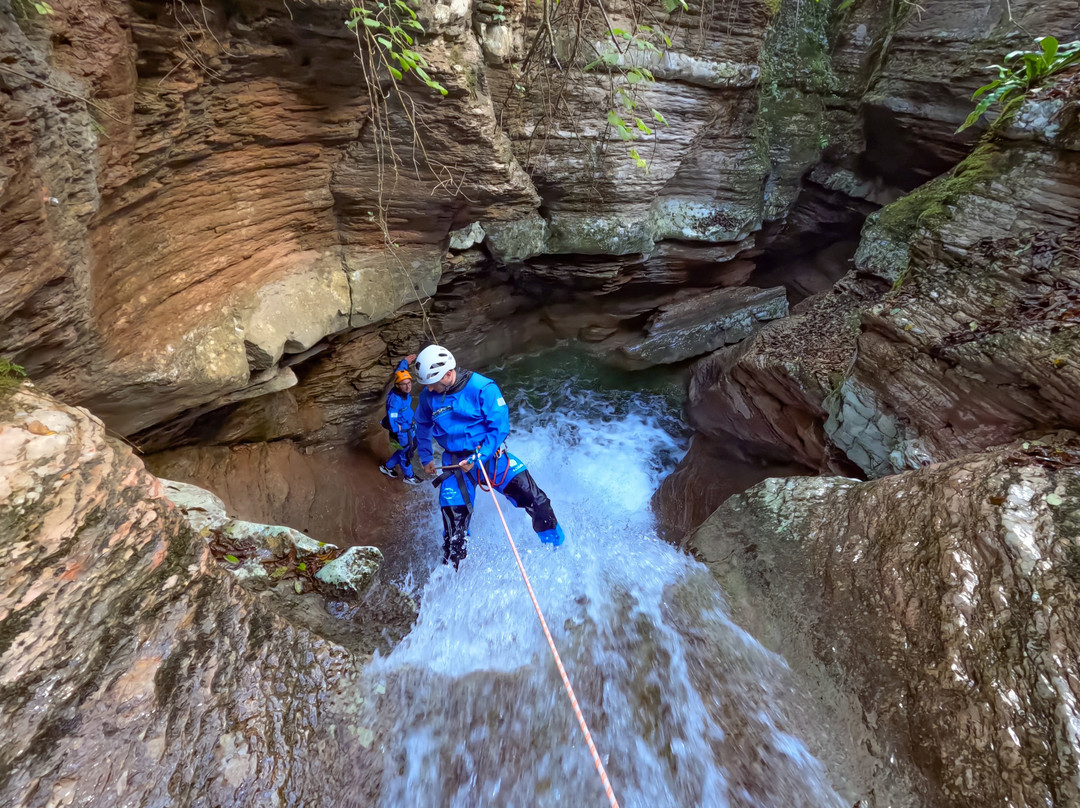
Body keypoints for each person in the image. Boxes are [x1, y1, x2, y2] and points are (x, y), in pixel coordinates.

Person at [413, 344, 565, 569]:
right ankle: (454, 574)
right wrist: (426, 458)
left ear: (447, 374)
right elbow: (422, 426)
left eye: (433, 384)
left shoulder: (483, 388)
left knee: (538, 502)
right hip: (454, 464)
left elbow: (499, 427)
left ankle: (557, 551)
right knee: (454, 532)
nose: (430, 389)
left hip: (490, 456)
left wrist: (479, 457)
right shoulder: (428, 397)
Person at [379, 354, 422, 485]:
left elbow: (400, 372)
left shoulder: (402, 390)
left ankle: (387, 467)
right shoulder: (396, 400)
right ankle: (408, 476)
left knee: (411, 446)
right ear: (398, 386)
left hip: (409, 426)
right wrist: (395, 428)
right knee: (406, 454)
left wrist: (404, 362)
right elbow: (392, 414)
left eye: (409, 383)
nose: (408, 386)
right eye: (404, 384)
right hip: (402, 431)